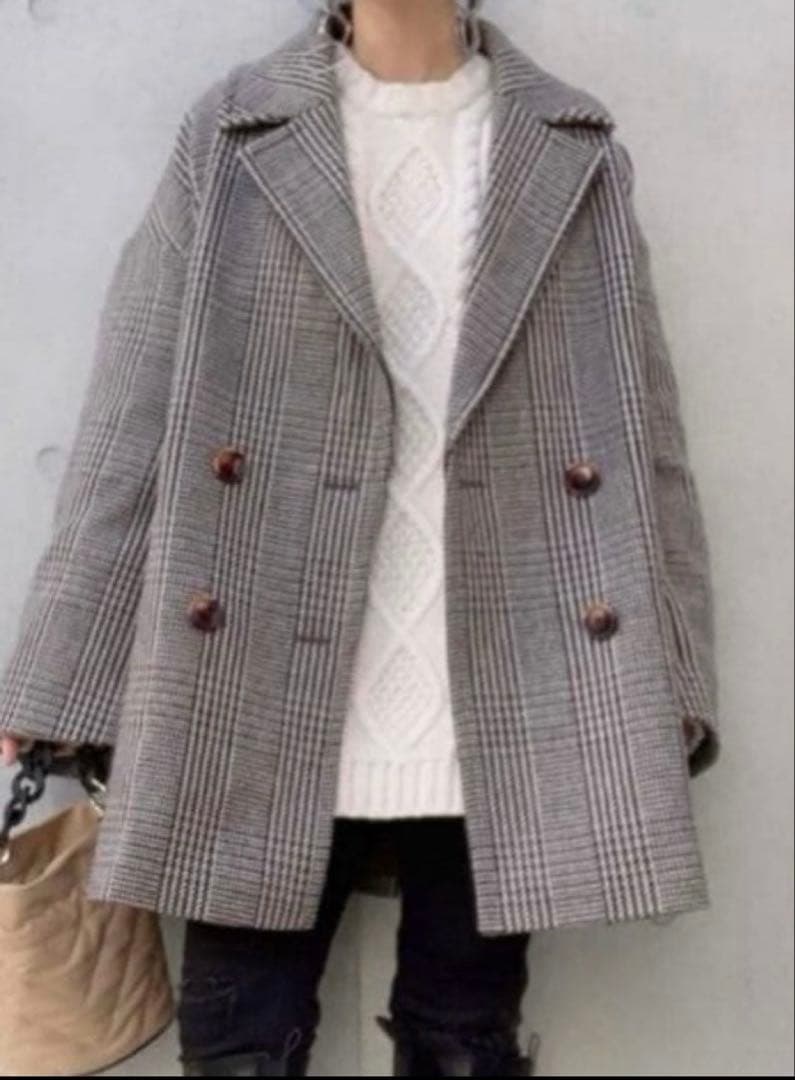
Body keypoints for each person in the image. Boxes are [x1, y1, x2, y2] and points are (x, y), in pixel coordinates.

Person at [0, 0, 720, 1075]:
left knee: (463, 1037)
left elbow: (645, 436)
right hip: (255, 661)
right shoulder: (237, 129)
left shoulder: (570, 144)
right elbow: (131, 415)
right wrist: (54, 681)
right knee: (240, 1037)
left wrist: (675, 679)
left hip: (506, 673)